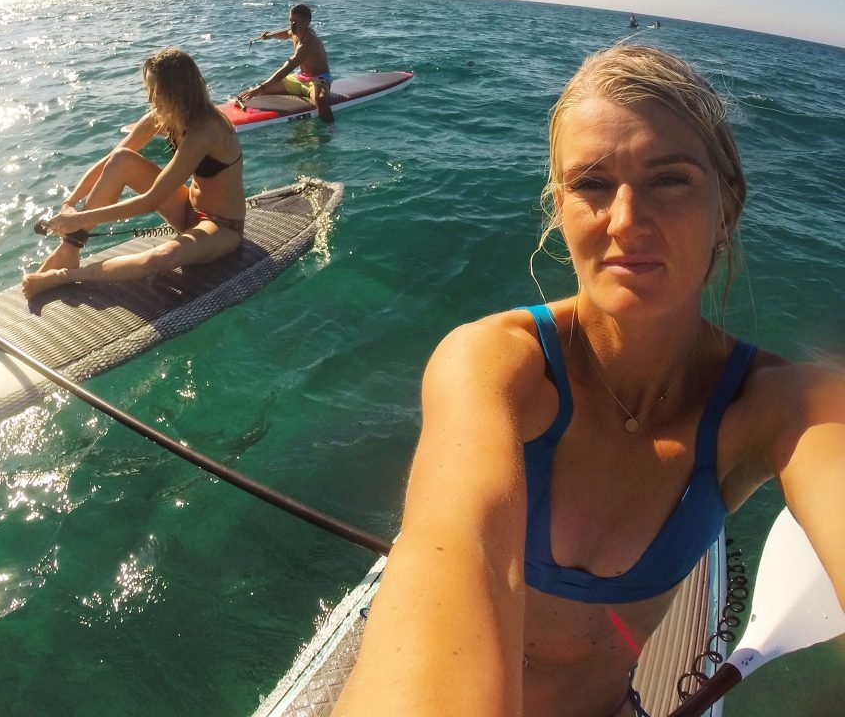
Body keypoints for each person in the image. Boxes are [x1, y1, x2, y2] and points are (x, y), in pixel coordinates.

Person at [332, 44, 845, 717]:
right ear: (559, 207)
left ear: (727, 208)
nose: (626, 221)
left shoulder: (784, 404)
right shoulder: (494, 364)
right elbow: (455, 544)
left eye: (670, 179)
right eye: (592, 185)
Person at [22, 48, 245, 299]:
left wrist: (80, 219)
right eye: (149, 88)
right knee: (122, 160)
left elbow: (151, 200)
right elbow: (109, 162)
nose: (150, 98)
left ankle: (65, 275)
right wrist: (70, 202)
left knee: (161, 258)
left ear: (178, 89)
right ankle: (69, 250)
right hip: (186, 210)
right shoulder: (164, 117)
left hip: (221, 226)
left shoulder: (206, 130)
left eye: (156, 90)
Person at [237, 3, 335, 123]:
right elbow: (286, 33)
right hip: (299, 79)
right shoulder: (296, 31)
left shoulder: (308, 43)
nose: (292, 25)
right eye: (290, 21)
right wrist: (271, 35)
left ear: (307, 23)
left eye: (295, 22)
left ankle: (331, 129)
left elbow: (287, 67)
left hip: (317, 79)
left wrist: (261, 86)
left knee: (320, 100)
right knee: (261, 92)